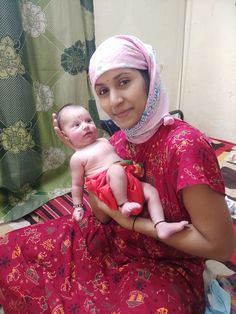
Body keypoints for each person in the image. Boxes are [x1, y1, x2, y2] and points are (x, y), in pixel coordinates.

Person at [0, 35, 234, 314]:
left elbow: (220, 247)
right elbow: (100, 215)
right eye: (102, 91)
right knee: (8, 249)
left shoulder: (185, 146)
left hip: (165, 262)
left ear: (149, 77)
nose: (114, 101)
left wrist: (135, 224)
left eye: (124, 82)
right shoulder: (119, 140)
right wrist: (84, 156)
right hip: (107, 242)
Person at [56, 103, 188, 239]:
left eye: (88, 120)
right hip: (107, 188)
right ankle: (123, 204)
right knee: (115, 169)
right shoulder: (77, 158)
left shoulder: (103, 141)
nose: (86, 126)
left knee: (150, 191)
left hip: (125, 180)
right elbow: (77, 185)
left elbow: (117, 159)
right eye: (76, 125)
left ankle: (161, 225)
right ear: (65, 135)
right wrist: (78, 206)